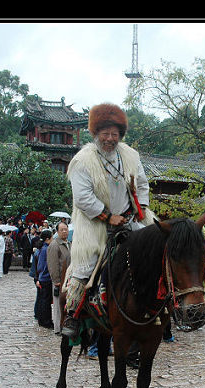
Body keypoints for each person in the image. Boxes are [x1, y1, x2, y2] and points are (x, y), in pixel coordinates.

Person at [61, 103, 156, 338]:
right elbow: (82, 197)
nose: (110, 139)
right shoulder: (82, 161)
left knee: (156, 243)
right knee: (87, 261)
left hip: (128, 215)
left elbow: (142, 184)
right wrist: (107, 216)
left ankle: (162, 304)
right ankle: (73, 313)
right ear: (95, 133)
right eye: (105, 133)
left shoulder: (130, 155)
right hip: (94, 221)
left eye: (115, 134)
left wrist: (139, 207)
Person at [48, 221, 71, 334]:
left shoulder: (69, 243)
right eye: (61, 230)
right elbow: (52, 264)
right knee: (58, 305)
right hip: (59, 280)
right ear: (57, 231)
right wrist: (56, 280)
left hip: (69, 279)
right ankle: (58, 328)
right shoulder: (54, 245)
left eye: (65, 229)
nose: (64, 231)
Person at [35, 229, 54, 329]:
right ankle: (45, 321)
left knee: (43, 300)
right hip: (46, 278)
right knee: (45, 301)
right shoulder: (46, 249)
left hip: (42, 277)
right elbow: (44, 265)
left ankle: (43, 320)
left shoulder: (42, 248)